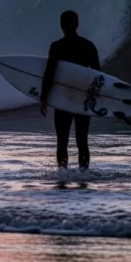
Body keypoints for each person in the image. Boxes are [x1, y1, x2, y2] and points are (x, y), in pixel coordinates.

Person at [39, 10, 100, 170]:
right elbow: (97, 76)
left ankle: (63, 175)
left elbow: (49, 73)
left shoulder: (57, 46)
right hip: (82, 99)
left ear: (61, 26)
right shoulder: (88, 46)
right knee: (82, 141)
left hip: (63, 99)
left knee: (62, 141)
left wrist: (44, 98)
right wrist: (95, 101)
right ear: (77, 24)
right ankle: (84, 175)